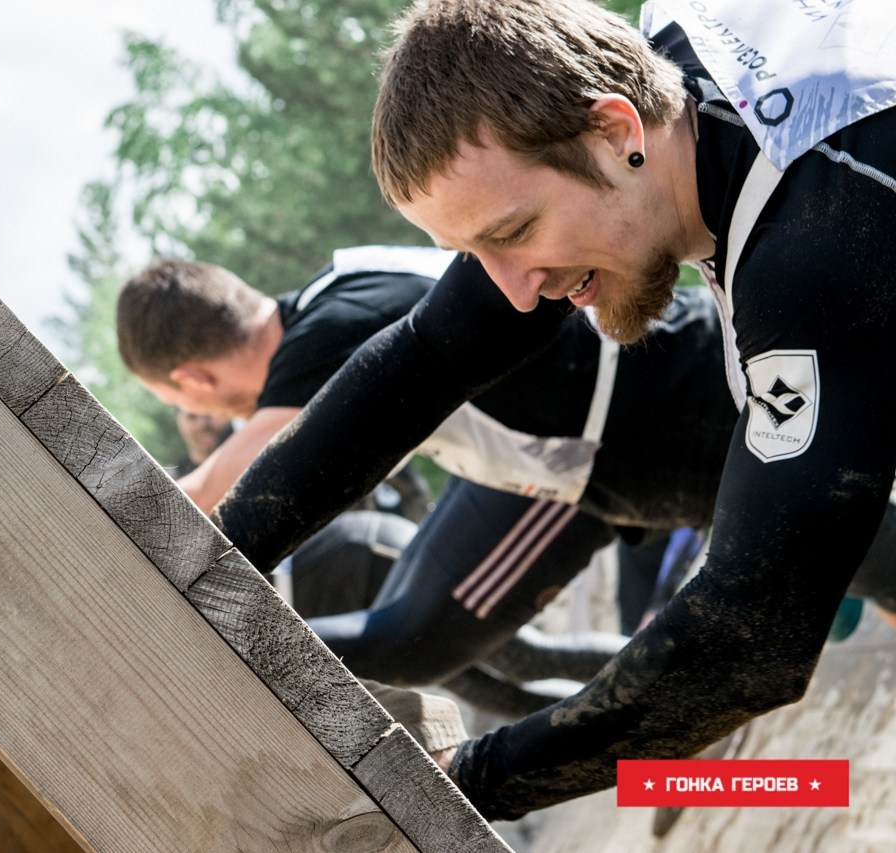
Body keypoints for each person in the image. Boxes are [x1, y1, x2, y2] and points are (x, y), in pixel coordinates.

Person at [213, 0, 896, 821]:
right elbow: (429, 352)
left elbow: (747, 644)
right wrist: (211, 561)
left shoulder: (815, 245)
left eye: (513, 231)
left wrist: (459, 786)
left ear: (615, 131)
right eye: (474, 252)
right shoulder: (666, 86)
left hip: (673, 429)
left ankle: (773, 782)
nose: (510, 286)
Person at [119, 248, 738, 712]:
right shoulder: (338, 289)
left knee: (417, 644)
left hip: (651, 419)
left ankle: (698, 719)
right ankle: (680, 727)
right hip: (591, 430)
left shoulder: (325, 338)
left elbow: (213, 494)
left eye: (198, 408)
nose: (218, 420)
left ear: (193, 382)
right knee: (454, 652)